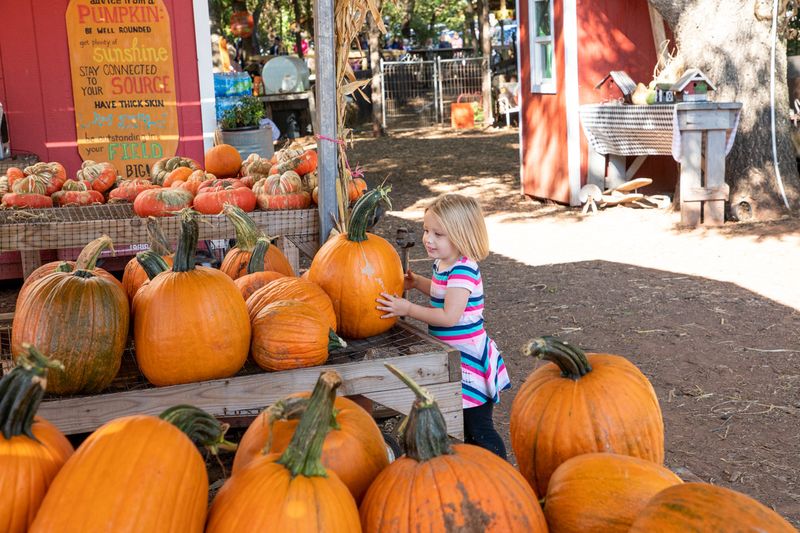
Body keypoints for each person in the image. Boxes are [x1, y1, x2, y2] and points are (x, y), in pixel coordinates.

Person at [376, 194, 511, 459]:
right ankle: (473, 467)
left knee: (477, 427)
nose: (428, 238)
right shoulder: (444, 264)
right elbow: (442, 292)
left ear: (461, 236)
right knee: (459, 422)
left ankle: (500, 471)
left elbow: (450, 315)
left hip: (468, 360)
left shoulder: (463, 270)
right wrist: (418, 283)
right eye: (426, 230)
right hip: (453, 355)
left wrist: (408, 309)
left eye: (438, 234)